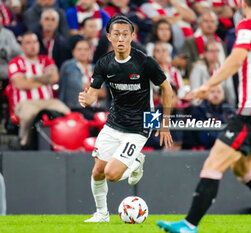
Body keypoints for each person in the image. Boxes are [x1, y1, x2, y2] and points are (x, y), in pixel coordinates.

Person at [157, 1, 251, 233]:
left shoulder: (249, 25)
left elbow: (237, 58)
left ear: (242, 3)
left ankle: (189, 225)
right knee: (242, 169)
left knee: (213, 164)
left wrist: (206, 86)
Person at [79, 15, 173, 222]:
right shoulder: (104, 63)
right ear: (109, 37)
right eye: (116, 34)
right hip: (114, 123)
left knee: (112, 174)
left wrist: (164, 123)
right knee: (98, 172)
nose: (120, 38)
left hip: (139, 126)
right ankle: (102, 214)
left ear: (132, 36)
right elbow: (94, 92)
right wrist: (87, 98)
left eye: (124, 34)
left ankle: (136, 161)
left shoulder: (145, 62)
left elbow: (167, 89)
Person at [8, 32, 70, 148]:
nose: (32, 45)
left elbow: (54, 78)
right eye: (28, 42)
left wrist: (30, 79)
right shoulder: (15, 62)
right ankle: (24, 142)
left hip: (49, 101)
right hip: (26, 103)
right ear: (22, 46)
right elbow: (20, 84)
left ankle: (65, 143)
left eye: (35, 42)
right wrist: (43, 79)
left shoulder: (46, 60)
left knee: (66, 112)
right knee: (30, 114)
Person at [59, 38, 106, 120]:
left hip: (97, 108)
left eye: (86, 49)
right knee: (97, 119)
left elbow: (104, 93)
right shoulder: (69, 66)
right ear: (73, 52)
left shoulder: (96, 68)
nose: (83, 52)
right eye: (79, 49)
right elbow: (79, 87)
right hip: (77, 108)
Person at [189, 40, 236, 106]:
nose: (215, 53)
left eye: (217, 51)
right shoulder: (197, 68)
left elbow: (229, 90)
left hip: (221, 104)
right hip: (203, 105)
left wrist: (232, 106)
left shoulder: (223, 68)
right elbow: (194, 90)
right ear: (205, 53)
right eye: (211, 51)